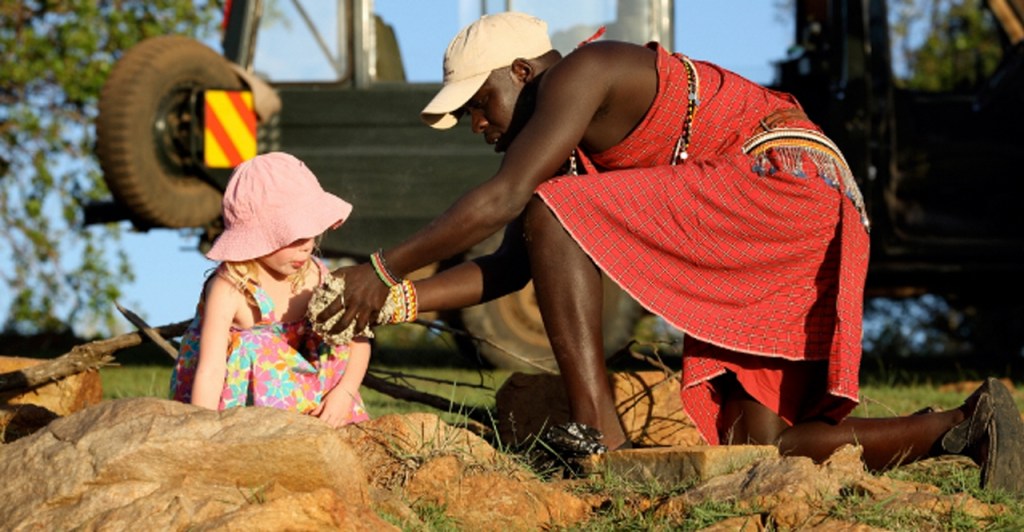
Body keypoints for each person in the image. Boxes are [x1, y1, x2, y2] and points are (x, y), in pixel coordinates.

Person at [320, 12, 1024, 490]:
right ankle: (961, 429)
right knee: (757, 452)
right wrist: (391, 302)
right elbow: (513, 262)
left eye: (479, 103)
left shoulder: (582, 72)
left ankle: (599, 436)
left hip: (779, 186)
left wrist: (381, 266)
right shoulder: (566, 151)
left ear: (524, 72)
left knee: (545, 206)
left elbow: (511, 201)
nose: (476, 123)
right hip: (817, 205)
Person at [170, 152, 371, 428]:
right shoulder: (230, 287)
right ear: (258, 239)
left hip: (311, 389)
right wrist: (201, 429)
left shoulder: (317, 276)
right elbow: (211, 368)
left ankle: (328, 419)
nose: (305, 245)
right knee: (256, 345)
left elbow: (358, 341)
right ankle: (261, 436)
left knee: (334, 338)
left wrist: (344, 393)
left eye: (310, 233)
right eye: (293, 236)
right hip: (240, 402)